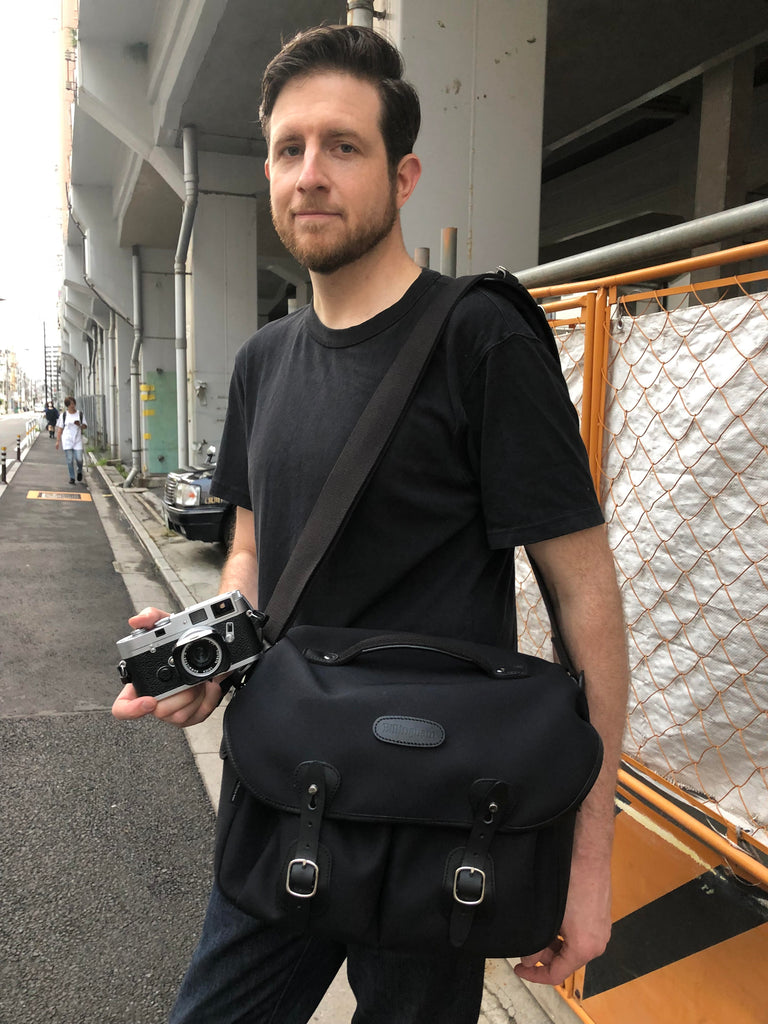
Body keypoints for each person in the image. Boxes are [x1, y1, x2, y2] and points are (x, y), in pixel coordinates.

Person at [112, 24, 629, 1024]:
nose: (310, 172)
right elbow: (257, 550)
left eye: (343, 146)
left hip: (439, 824)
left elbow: (586, 598)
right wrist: (211, 651)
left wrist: (587, 859)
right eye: (289, 147)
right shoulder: (263, 361)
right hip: (285, 788)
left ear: (403, 175)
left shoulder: (481, 340)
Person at [56, 396, 87, 484]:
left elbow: (85, 426)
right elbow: (60, 429)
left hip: (77, 440)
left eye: (73, 404)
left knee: (79, 459)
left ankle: (79, 470)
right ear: (67, 406)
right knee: (69, 460)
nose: (72, 406)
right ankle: (72, 477)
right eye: (70, 404)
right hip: (67, 439)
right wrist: (58, 441)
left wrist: (80, 425)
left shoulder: (79, 414)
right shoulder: (64, 415)